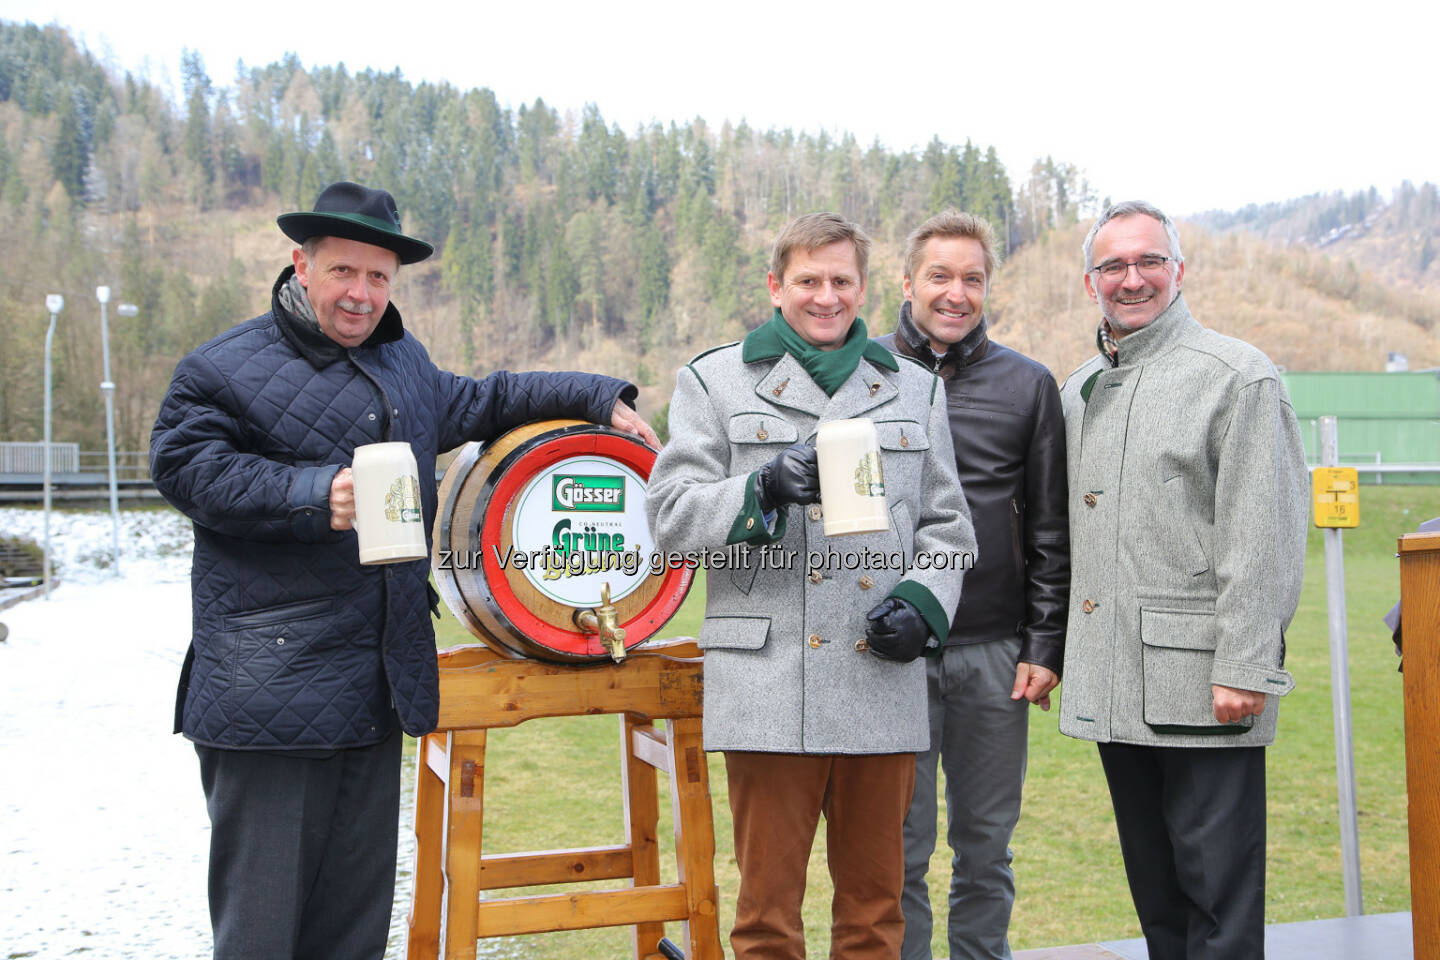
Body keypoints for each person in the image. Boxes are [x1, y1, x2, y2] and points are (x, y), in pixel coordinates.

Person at [150, 180, 657, 960]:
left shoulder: (403, 362)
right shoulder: (221, 368)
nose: (361, 294)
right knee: (261, 935)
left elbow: (488, 400)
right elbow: (186, 468)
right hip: (269, 697)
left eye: (378, 277)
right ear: (301, 265)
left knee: (353, 934)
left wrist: (598, 396)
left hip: (374, 688)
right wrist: (318, 492)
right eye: (344, 272)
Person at [647, 212, 976, 959]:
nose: (824, 297)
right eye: (807, 281)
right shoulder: (714, 379)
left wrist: (925, 606)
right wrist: (759, 487)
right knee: (766, 916)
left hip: (877, 676)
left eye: (840, 281)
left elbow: (949, 527)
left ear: (863, 289)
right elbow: (668, 516)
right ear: (775, 285)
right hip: (768, 679)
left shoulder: (916, 389)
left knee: (874, 912)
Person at [1057, 200, 1307, 959]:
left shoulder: (1238, 377)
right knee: (1158, 898)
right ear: (1091, 280)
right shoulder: (1077, 391)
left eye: (1148, 261)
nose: (1132, 279)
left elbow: (1263, 533)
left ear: (1179, 269)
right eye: (1113, 266)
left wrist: (1243, 664)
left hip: (1204, 685)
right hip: (1113, 684)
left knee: (1219, 907)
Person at [875, 210, 1068, 960]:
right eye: (940, 277)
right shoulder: (864, 373)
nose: (956, 294)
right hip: (888, 656)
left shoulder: (1027, 385)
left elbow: (1050, 527)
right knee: (900, 848)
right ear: (908, 282)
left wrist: (1044, 644)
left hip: (993, 652)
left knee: (986, 847)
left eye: (972, 279)